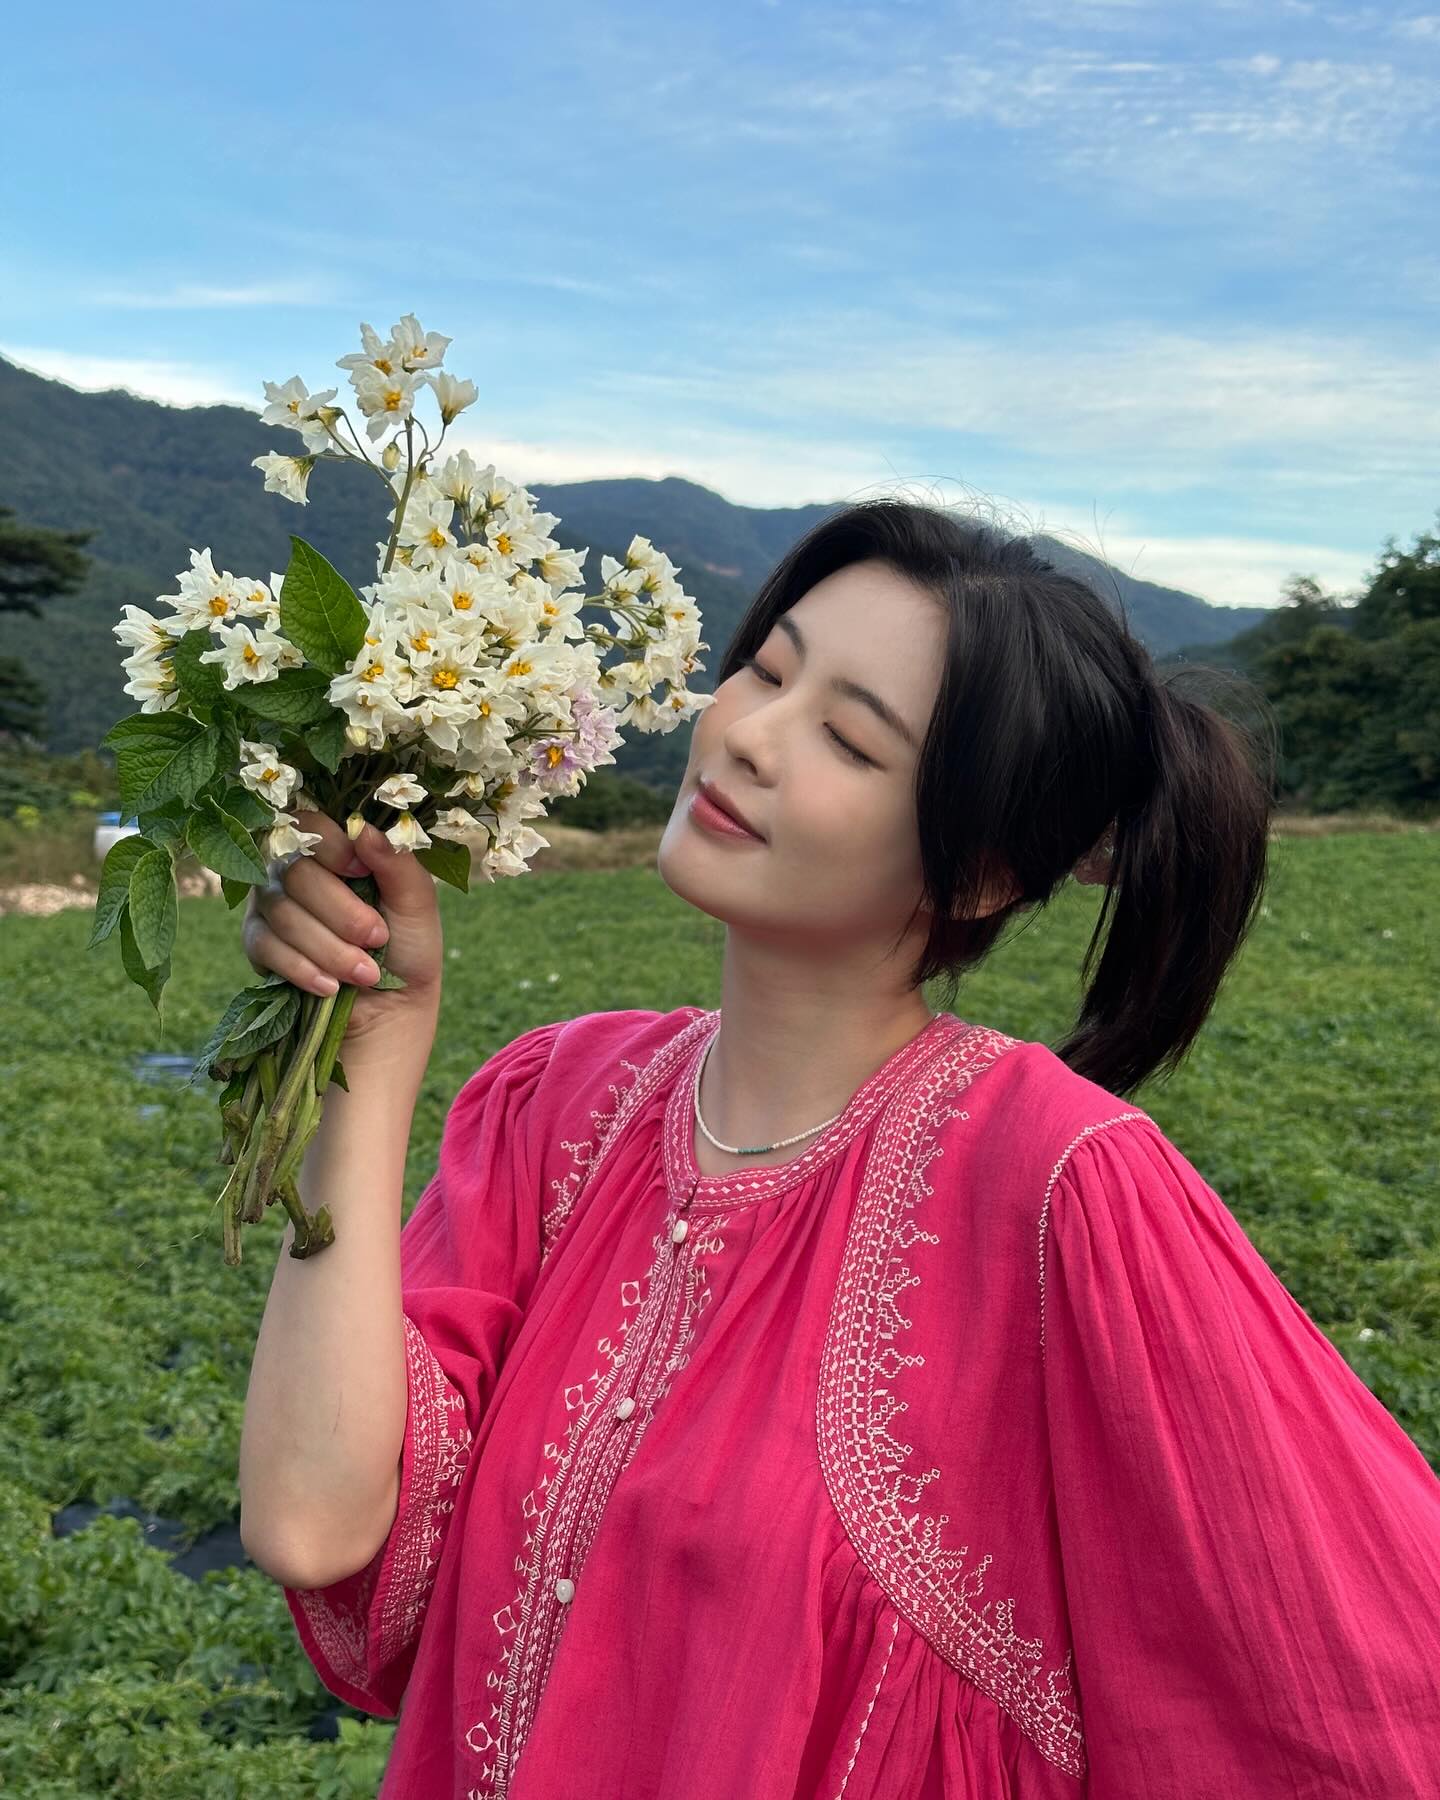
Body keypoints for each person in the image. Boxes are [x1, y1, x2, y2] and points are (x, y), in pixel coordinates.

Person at [237, 500, 1440, 1799]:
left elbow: (1350, 1666)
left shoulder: (1062, 1183)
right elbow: (312, 1523)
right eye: (768, 670)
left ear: (980, 873)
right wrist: (372, 1047)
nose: (748, 736)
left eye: (850, 739)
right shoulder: (556, 1102)